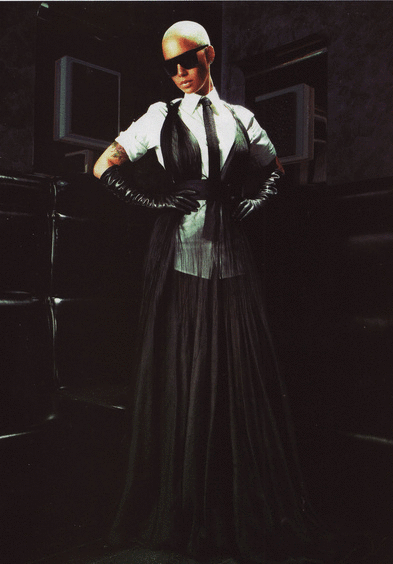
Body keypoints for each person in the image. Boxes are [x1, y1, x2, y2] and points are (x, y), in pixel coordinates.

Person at [93, 20, 317, 564]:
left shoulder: (242, 118)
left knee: (237, 374)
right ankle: (183, 507)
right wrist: (153, 203)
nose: (179, 73)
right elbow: (103, 165)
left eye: (187, 61)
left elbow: (276, 169)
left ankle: (237, 509)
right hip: (179, 255)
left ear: (209, 55)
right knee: (182, 372)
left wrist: (259, 200)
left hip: (232, 256)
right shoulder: (159, 116)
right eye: (170, 66)